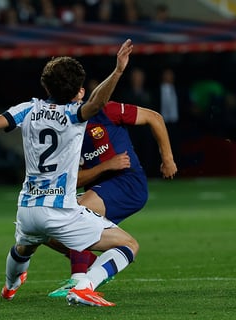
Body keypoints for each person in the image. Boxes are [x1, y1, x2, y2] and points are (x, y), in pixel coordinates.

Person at [0, 39, 136, 307]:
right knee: (128, 245)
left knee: (23, 248)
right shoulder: (75, 114)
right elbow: (98, 103)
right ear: (79, 91)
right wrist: (117, 71)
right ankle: (85, 286)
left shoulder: (28, 109)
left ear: (46, 86)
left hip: (27, 209)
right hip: (60, 210)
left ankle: (9, 287)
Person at [46, 90, 178, 297]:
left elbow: (154, 118)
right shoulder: (63, 131)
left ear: (81, 95)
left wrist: (168, 159)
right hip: (100, 189)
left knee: (77, 213)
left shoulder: (106, 110)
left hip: (128, 183)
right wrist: (105, 166)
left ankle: (79, 281)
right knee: (45, 227)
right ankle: (100, 267)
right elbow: (71, 181)